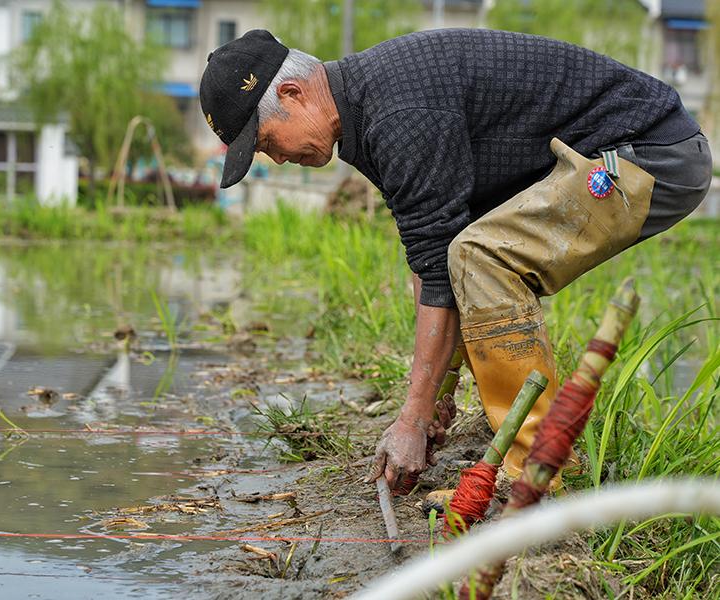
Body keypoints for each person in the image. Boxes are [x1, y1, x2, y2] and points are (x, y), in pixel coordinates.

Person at [198, 29, 712, 496]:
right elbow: (428, 259)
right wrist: (435, 395)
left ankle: (541, 472)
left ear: (293, 95)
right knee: (456, 254)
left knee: (478, 256)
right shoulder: (365, 109)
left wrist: (413, 417)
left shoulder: (398, 112)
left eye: (266, 142)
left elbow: (448, 267)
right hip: (625, 152)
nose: (277, 159)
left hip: (650, 155)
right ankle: (525, 447)